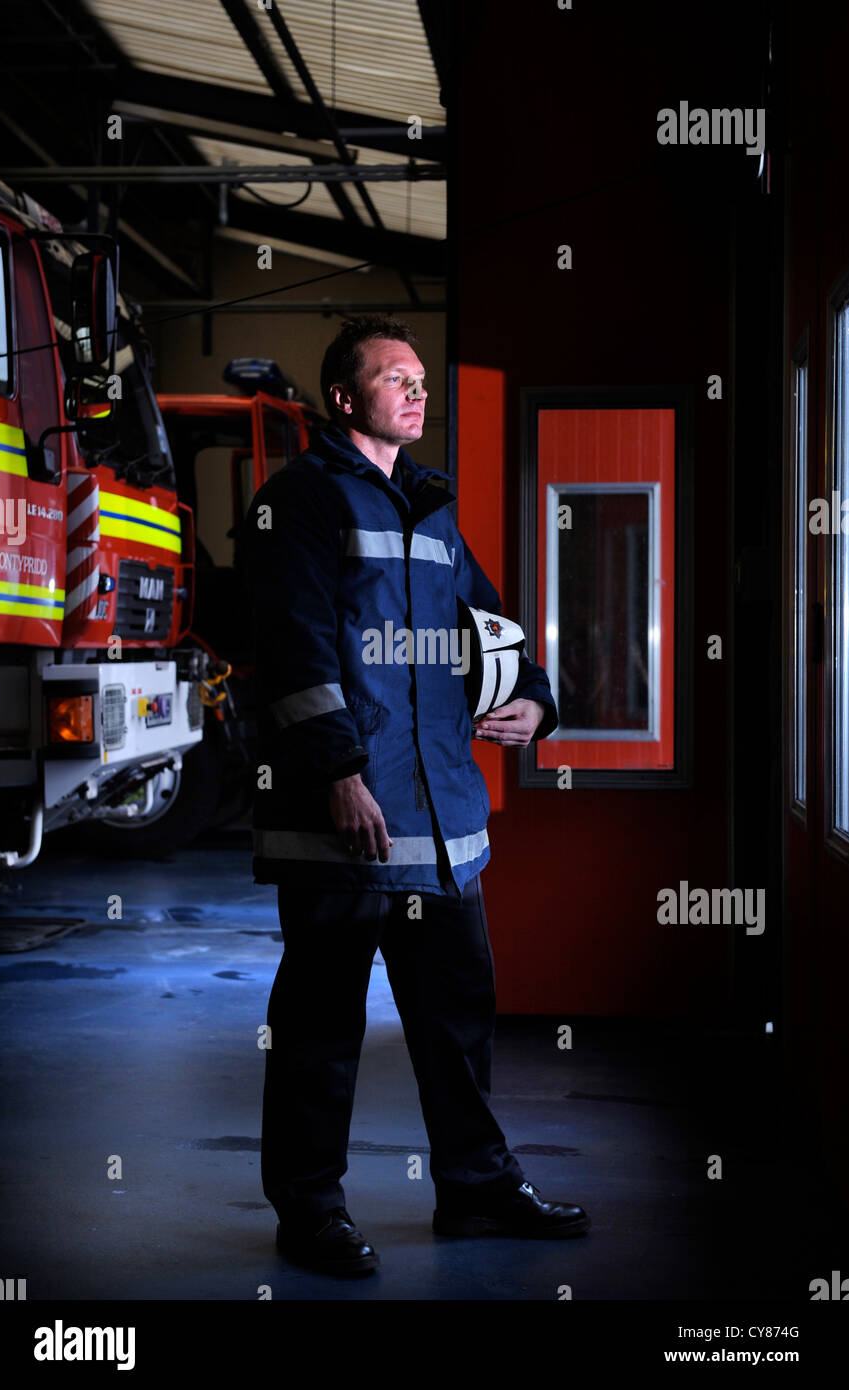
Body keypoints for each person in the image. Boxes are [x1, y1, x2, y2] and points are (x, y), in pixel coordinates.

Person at [242, 314, 590, 1277]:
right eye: (393, 378)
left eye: (419, 378)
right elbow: (294, 651)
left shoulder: (429, 507)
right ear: (345, 399)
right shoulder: (298, 505)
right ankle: (310, 1214)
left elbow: (491, 625)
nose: (416, 389)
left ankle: (475, 1189)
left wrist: (533, 698)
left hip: (443, 826)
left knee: (457, 1018)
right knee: (320, 1030)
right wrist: (337, 772)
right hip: (350, 821)